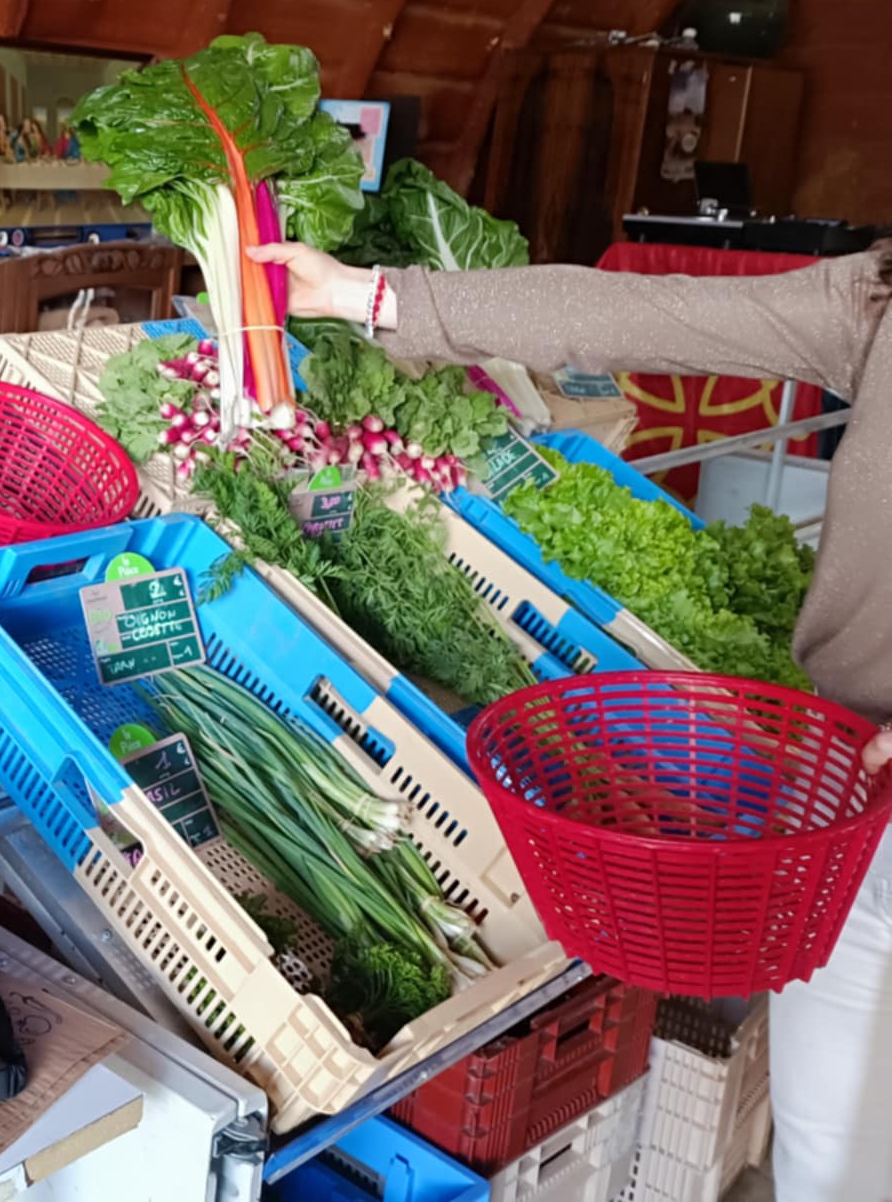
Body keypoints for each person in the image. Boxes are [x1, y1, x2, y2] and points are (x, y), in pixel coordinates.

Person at [253, 236, 892, 1202]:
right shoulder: (879, 302)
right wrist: (370, 294)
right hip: (848, 805)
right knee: (829, 1155)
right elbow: (642, 312)